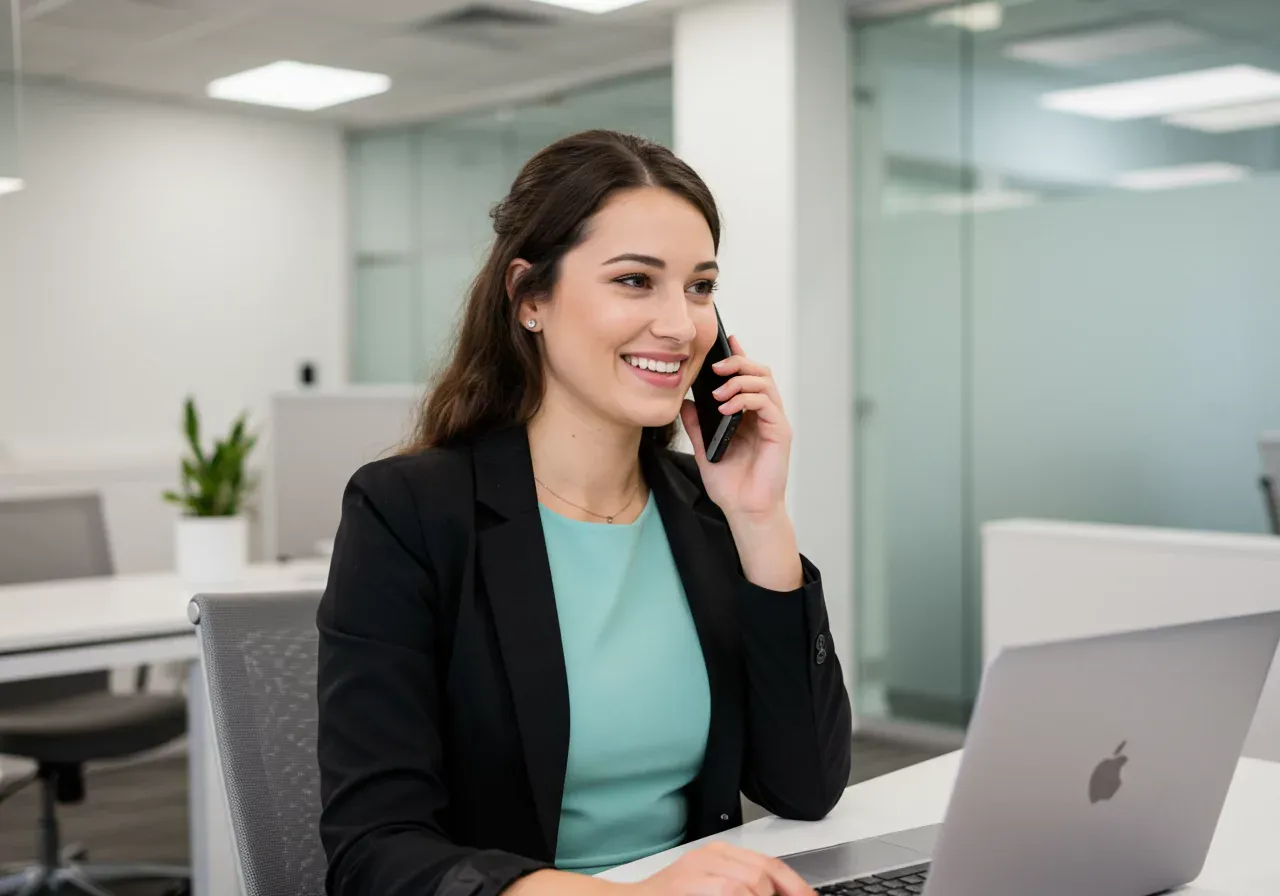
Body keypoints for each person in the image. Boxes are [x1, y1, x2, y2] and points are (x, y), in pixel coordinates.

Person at [316, 130, 852, 896]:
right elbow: (375, 852)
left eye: (700, 288)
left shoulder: (703, 507)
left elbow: (806, 786)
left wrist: (761, 521)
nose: (680, 324)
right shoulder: (409, 511)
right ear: (531, 298)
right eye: (636, 281)